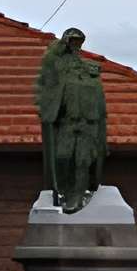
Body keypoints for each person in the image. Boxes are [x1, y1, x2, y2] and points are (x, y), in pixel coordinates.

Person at [35, 27, 107, 214]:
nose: (75, 45)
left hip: (88, 124)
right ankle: (65, 192)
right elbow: (50, 61)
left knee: (83, 161)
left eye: (78, 41)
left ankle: (77, 196)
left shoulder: (91, 73)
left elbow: (101, 107)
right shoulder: (60, 68)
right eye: (72, 41)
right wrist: (62, 42)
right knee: (63, 157)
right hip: (67, 122)